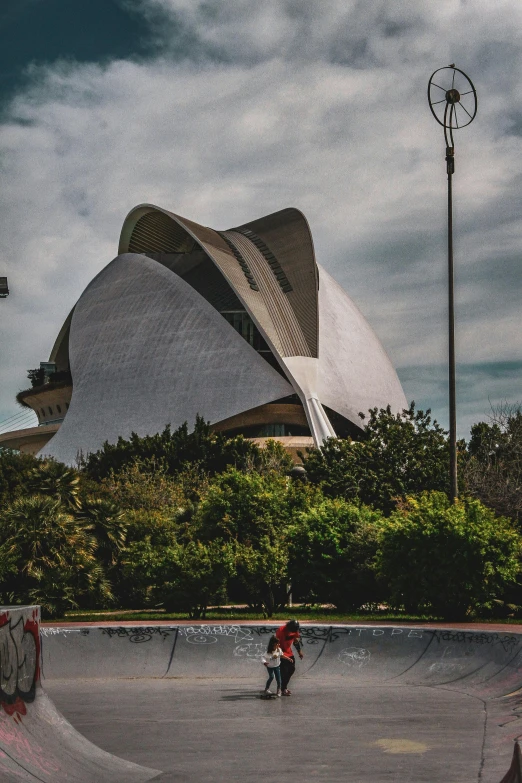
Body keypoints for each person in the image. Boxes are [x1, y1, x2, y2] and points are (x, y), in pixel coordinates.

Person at [275, 619, 303, 696]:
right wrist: (278, 654)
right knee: (284, 671)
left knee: (292, 669)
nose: (292, 632)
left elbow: (295, 641)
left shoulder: (295, 630)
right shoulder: (280, 630)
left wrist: (299, 651)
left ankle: (283, 687)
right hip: (281, 653)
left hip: (289, 652)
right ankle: (282, 688)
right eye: (291, 630)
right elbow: (276, 643)